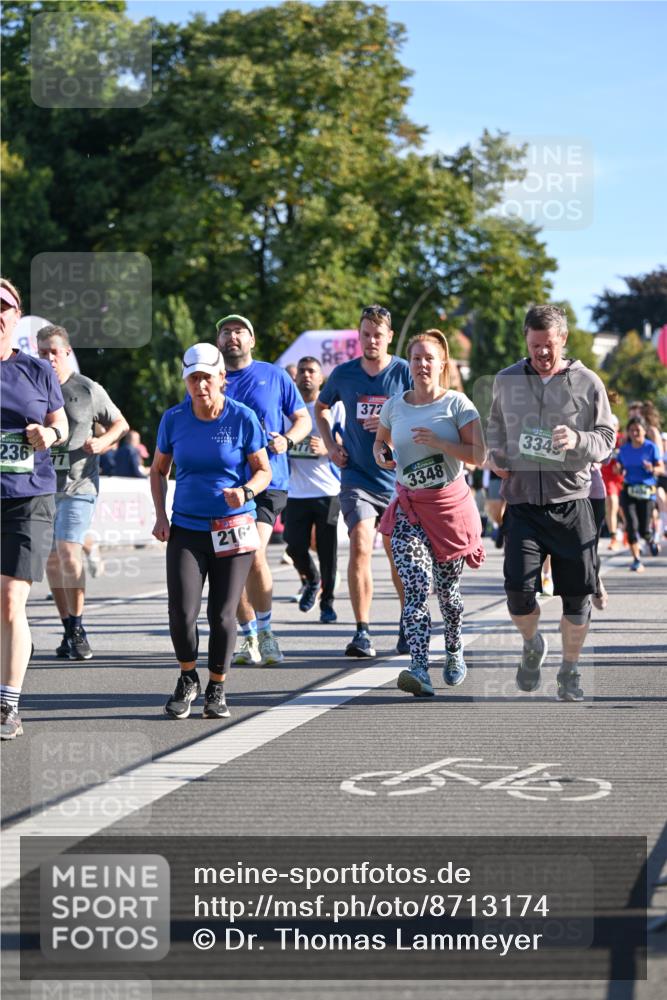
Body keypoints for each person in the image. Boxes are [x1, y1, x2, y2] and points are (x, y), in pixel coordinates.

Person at [486, 304, 615, 702]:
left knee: (576, 598)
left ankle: (570, 670)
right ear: (526, 340)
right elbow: (495, 429)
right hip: (523, 504)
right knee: (518, 592)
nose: (541, 352)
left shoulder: (587, 382)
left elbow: (607, 438)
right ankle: (531, 645)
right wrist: (497, 456)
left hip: (572, 502)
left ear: (563, 340)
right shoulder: (506, 381)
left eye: (549, 345)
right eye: (534, 344)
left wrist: (579, 440)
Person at [151, 343, 271, 719]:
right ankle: (188, 678)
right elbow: (158, 470)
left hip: (233, 527)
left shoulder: (242, 417)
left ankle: (217, 686)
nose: (200, 384)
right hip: (186, 526)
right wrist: (160, 516)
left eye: (207, 377)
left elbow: (263, 471)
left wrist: (246, 491)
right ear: (186, 381)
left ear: (222, 378)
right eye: (193, 378)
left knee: (222, 614)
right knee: (181, 612)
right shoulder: (173, 419)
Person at [374, 330, 486, 697]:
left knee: (449, 595)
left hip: (449, 509)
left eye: (429, 358)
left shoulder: (458, 404)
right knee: (416, 587)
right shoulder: (394, 405)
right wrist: (381, 453)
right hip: (410, 507)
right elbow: (382, 442)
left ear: (442, 364)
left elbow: (479, 455)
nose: (422, 364)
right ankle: (419, 667)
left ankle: (454, 648)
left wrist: (440, 442)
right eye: (416, 358)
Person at [316, 305, 412, 658]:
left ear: (389, 336)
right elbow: (321, 408)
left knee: (396, 553)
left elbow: (424, 411)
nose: (371, 341)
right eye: (365, 335)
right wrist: (330, 444)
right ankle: (362, 631)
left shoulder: (404, 372)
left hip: (398, 480)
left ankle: (407, 624)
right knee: (359, 544)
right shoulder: (344, 374)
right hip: (356, 476)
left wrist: (391, 426)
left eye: (378, 335)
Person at [215, 314, 311, 666]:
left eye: (239, 331)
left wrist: (287, 440)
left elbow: (303, 419)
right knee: (232, 560)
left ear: (252, 340)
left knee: (251, 550)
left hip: (269, 480)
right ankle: (249, 636)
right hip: (226, 484)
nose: (232, 337)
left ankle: (267, 634)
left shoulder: (274, 375)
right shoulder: (212, 380)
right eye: (225, 332)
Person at [1, 279, 68, 739]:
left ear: (15, 315)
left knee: (9, 600)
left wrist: (51, 435)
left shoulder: (36, 370)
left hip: (29, 495)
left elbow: (59, 422)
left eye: (2, 306)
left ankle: (8, 705)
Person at [36, 325, 128, 660]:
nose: (48, 358)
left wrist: (103, 442)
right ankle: (68, 628)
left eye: (54, 352)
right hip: (41, 488)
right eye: (42, 352)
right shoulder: (30, 387)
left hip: (80, 485)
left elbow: (120, 423)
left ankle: (77, 628)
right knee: (49, 560)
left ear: (67, 352)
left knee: (67, 551)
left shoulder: (86, 389)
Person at [283, 357, 344, 624]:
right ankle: (312, 579)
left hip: (327, 490)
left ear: (321, 378)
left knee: (328, 551)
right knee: (294, 546)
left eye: (312, 372)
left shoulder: (333, 408)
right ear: (295, 378)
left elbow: (346, 445)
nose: (306, 376)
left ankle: (327, 603)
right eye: (302, 372)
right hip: (295, 491)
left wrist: (328, 449)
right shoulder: (288, 410)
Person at [616, 416, 664, 572]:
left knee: (643, 530)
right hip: (629, 489)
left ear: (644, 431)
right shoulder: (624, 449)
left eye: (638, 429)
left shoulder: (651, 448)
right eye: (631, 430)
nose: (635, 432)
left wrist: (652, 468)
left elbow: (661, 468)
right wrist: (619, 469)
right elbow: (620, 465)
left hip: (646, 491)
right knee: (631, 525)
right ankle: (636, 559)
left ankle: (650, 539)